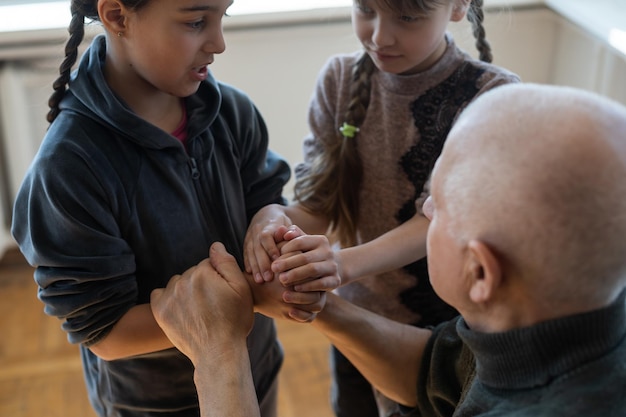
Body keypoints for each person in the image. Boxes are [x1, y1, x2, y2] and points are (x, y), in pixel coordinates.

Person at [151, 83, 626, 417]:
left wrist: (218, 360)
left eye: (434, 207)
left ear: (480, 274)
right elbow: (438, 371)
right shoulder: (560, 316)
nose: (425, 211)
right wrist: (316, 304)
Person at [10, 0, 335, 416]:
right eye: (197, 22)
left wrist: (270, 220)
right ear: (117, 15)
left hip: (256, 373)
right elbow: (106, 333)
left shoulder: (231, 111)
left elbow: (266, 196)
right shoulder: (69, 168)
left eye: (224, 16)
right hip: (154, 405)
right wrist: (251, 299)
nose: (218, 43)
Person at [244, 0, 519, 415]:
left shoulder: (491, 97)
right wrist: (273, 217)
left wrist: (340, 264)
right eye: (366, 9)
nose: (379, 35)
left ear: (459, 7)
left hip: (436, 334)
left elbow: (436, 222)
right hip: (354, 316)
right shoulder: (339, 79)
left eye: (407, 17)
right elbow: (320, 205)